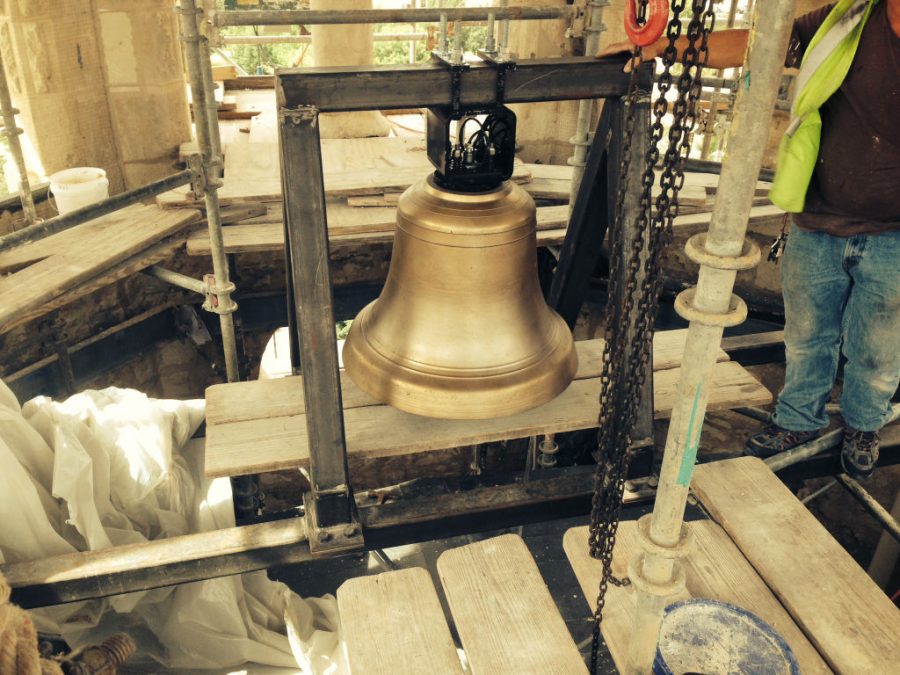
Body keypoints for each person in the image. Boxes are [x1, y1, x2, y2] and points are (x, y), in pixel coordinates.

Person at [598, 0, 900, 479]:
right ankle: (798, 420)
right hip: (817, 216)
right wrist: (662, 46)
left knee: (880, 345)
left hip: (894, 236)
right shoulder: (847, 20)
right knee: (808, 335)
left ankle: (865, 424)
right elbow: (758, 44)